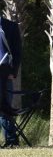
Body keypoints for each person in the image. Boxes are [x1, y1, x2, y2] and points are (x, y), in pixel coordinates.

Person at [0, 17, 22, 148]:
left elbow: (17, 51)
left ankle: (11, 140)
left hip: (5, 72)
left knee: (5, 106)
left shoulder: (10, 26)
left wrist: (13, 72)